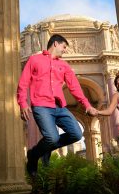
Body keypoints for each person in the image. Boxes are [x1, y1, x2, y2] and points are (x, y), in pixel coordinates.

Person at [17, 34, 98, 177]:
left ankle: (46, 148)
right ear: (55, 44)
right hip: (41, 106)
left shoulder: (64, 65)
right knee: (52, 137)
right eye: (64, 47)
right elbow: (23, 83)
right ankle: (34, 155)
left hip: (59, 107)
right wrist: (23, 103)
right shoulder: (35, 59)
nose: (65, 50)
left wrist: (87, 105)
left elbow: (74, 87)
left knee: (76, 134)